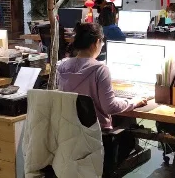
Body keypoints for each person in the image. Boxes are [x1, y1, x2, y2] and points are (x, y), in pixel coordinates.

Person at [56, 23, 148, 163]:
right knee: (129, 126)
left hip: (70, 137)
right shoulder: (100, 69)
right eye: (102, 42)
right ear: (96, 42)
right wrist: (133, 102)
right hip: (98, 139)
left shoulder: (62, 66)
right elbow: (110, 107)